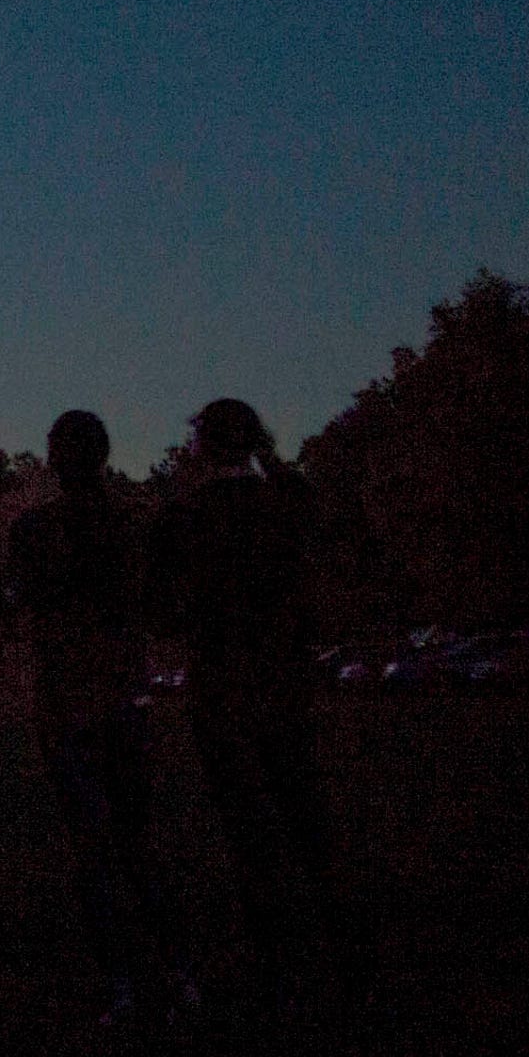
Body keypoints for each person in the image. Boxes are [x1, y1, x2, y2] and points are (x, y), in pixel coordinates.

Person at [146, 397, 344, 1008]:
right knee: (305, 810)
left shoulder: (184, 518)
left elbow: (159, 610)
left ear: (201, 445)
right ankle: (343, 943)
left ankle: (275, 959)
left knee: (247, 826)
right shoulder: (287, 503)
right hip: (284, 678)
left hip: (221, 684)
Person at [6, 410, 191, 1025]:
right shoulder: (132, 525)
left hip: (66, 704)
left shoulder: (34, 530)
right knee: (139, 844)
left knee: (91, 850)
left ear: (55, 459)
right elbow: (157, 604)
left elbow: (24, 602)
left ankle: (120, 983)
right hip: (123, 695)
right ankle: (176, 970)